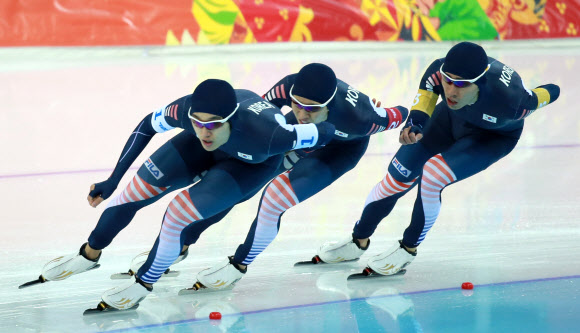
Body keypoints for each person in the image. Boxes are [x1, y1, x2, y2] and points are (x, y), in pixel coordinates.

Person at [26, 79, 336, 310]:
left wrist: (300, 156)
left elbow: (327, 131)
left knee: (179, 214)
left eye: (212, 125)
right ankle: (89, 254)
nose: (204, 131)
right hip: (212, 149)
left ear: (230, 120)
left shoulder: (274, 134)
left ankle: (145, 282)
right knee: (136, 190)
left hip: (251, 163)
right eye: (198, 124)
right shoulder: (187, 111)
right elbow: (147, 125)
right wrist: (112, 179)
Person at [153, 63, 409, 292]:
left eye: (312, 108)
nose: (302, 112)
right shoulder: (288, 87)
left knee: (274, 200)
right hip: (294, 136)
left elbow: (401, 113)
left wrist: (414, 124)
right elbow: (255, 116)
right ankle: (183, 243)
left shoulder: (362, 118)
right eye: (296, 103)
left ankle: (239, 265)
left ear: (329, 105)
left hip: (337, 150)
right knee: (240, 188)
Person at [312, 42, 560, 276]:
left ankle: (407, 248)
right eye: (448, 81)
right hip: (449, 120)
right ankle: (358, 241)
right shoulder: (436, 73)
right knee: (397, 176)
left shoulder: (514, 102)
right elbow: (426, 100)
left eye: (461, 85)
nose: (451, 91)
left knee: (433, 175)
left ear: (480, 83)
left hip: (490, 138)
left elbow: (549, 92)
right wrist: (416, 124)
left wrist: (553, 89)